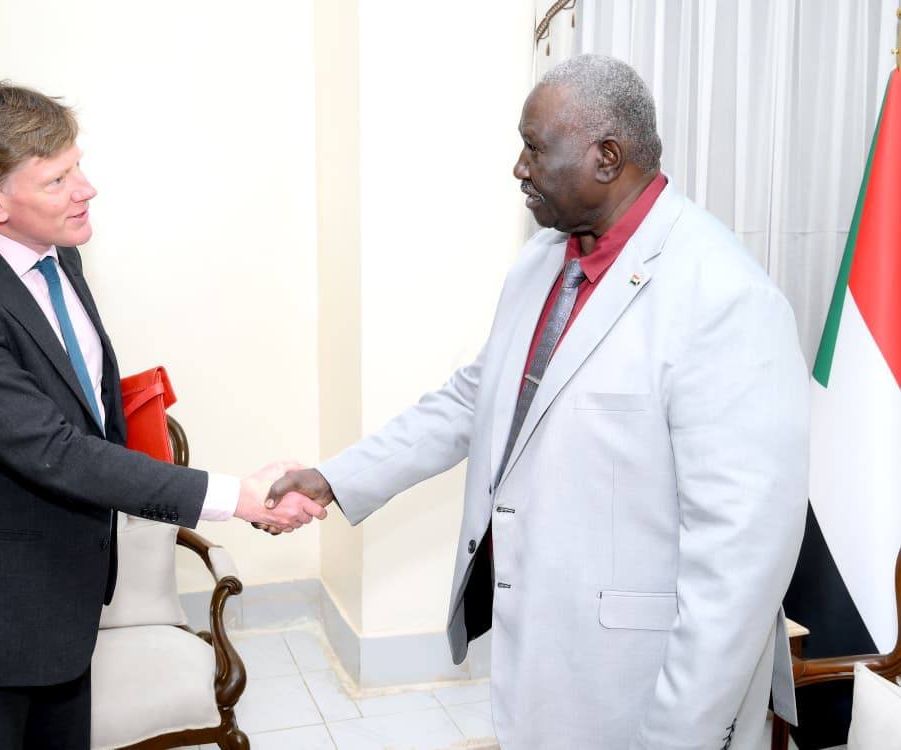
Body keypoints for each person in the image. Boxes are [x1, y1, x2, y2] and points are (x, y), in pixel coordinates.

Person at [267, 55, 809, 749]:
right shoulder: (541, 262)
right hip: (544, 656)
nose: (519, 168)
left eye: (534, 148)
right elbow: (474, 398)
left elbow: (739, 561)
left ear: (606, 157)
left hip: (644, 686)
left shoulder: (726, 298)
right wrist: (335, 476)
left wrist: (682, 734)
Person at [0, 82, 326, 749]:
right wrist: (238, 496)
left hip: (66, 602)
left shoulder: (61, 258)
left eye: (77, 166)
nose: (86, 189)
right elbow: (54, 450)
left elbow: (84, 410)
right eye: (57, 180)